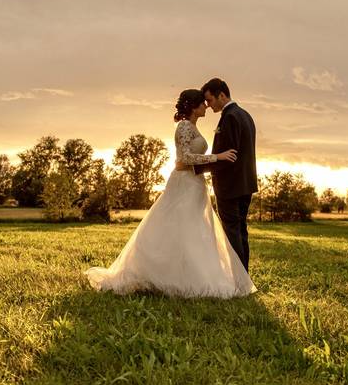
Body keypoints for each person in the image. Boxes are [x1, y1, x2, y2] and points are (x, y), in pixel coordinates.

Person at [84, 88, 256, 298]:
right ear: (194, 106)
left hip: (196, 183)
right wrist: (217, 157)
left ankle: (192, 275)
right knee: (181, 226)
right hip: (183, 183)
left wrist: (214, 159)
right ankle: (169, 276)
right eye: (203, 103)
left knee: (194, 230)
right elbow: (184, 159)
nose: (206, 106)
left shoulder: (192, 126)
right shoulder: (183, 126)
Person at [181, 78, 257, 272]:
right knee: (240, 230)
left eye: (210, 100)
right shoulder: (245, 115)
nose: (208, 105)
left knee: (232, 232)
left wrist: (195, 169)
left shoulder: (230, 117)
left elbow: (228, 157)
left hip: (230, 186)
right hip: (246, 184)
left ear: (221, 95)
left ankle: (238, 278)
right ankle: (243, 277)